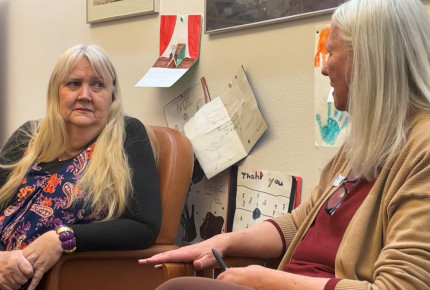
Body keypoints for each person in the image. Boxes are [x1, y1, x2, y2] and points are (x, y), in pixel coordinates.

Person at [139, 0, 430, 289]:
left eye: (331, 53)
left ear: (368, 60)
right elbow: (299, 224)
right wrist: (222, 241)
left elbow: (400, 286)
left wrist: (266, 280)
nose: (324, 67)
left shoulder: (423, 151)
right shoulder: (365, 140)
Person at [0, 44, 161, 290]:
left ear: (112, 95)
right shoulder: (27, 136)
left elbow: (144, 227)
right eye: (73, 84)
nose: (85, 94)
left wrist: (62, 237)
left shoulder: (129, 135)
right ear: (57, 92)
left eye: (98, 85)